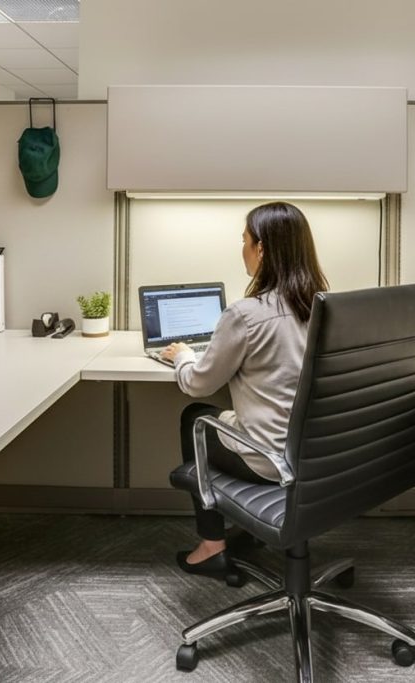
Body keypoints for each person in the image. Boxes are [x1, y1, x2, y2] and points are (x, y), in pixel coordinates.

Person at [160, 201, 328, 580]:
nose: (243, 250)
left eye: (245, 241)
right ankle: (250, 531)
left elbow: (196, 383)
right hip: (320, 457)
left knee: (195, 417)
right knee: (220, 416)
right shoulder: (324, 307)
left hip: (271, 461)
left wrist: (184, 355)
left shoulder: (245, 315)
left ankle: (211, 547)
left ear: (262, 249)